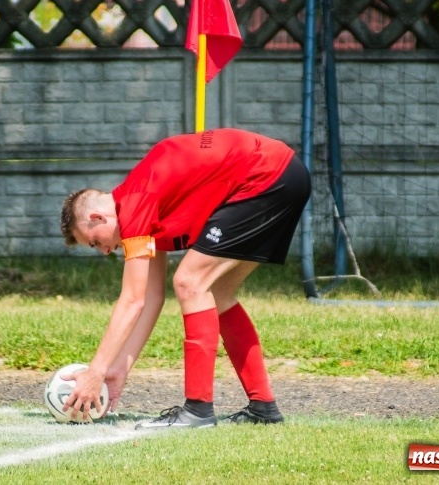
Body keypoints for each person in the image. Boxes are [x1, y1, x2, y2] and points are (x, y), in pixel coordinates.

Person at [59, 127, 311, 428]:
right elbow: (152, 298)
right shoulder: (143, 205)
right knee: (215, 294)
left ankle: (198, 409)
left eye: (94, 241)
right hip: (284, 173)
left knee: (190, 282)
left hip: (267, 175)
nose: (102, 251)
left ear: (98, 218)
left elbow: (132, 300)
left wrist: (95, 372)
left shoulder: (135, 202)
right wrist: (118, 368)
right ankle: (263, 407)